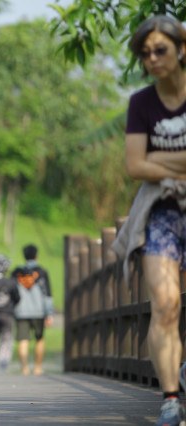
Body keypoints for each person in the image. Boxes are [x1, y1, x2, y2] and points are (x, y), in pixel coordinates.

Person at [112, 15, 186, 426]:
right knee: (166, 305)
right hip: (160, 212)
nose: (152, 59)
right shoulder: (142, 103)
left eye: (160, 50)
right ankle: (171, 399)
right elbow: (135, 166)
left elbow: (147, 159)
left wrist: (159, 158)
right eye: (145, 54)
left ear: (181, 49)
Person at [11, 244, 53, 376]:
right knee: (39, 339)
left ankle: (24, 368)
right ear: (36, 255)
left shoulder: (16, 272)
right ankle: (37, 367)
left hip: (21, 311)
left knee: (23, 340)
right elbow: (47, 294)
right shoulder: (42, 272)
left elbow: (12, 291)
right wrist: (49, 313)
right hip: (39, 311)